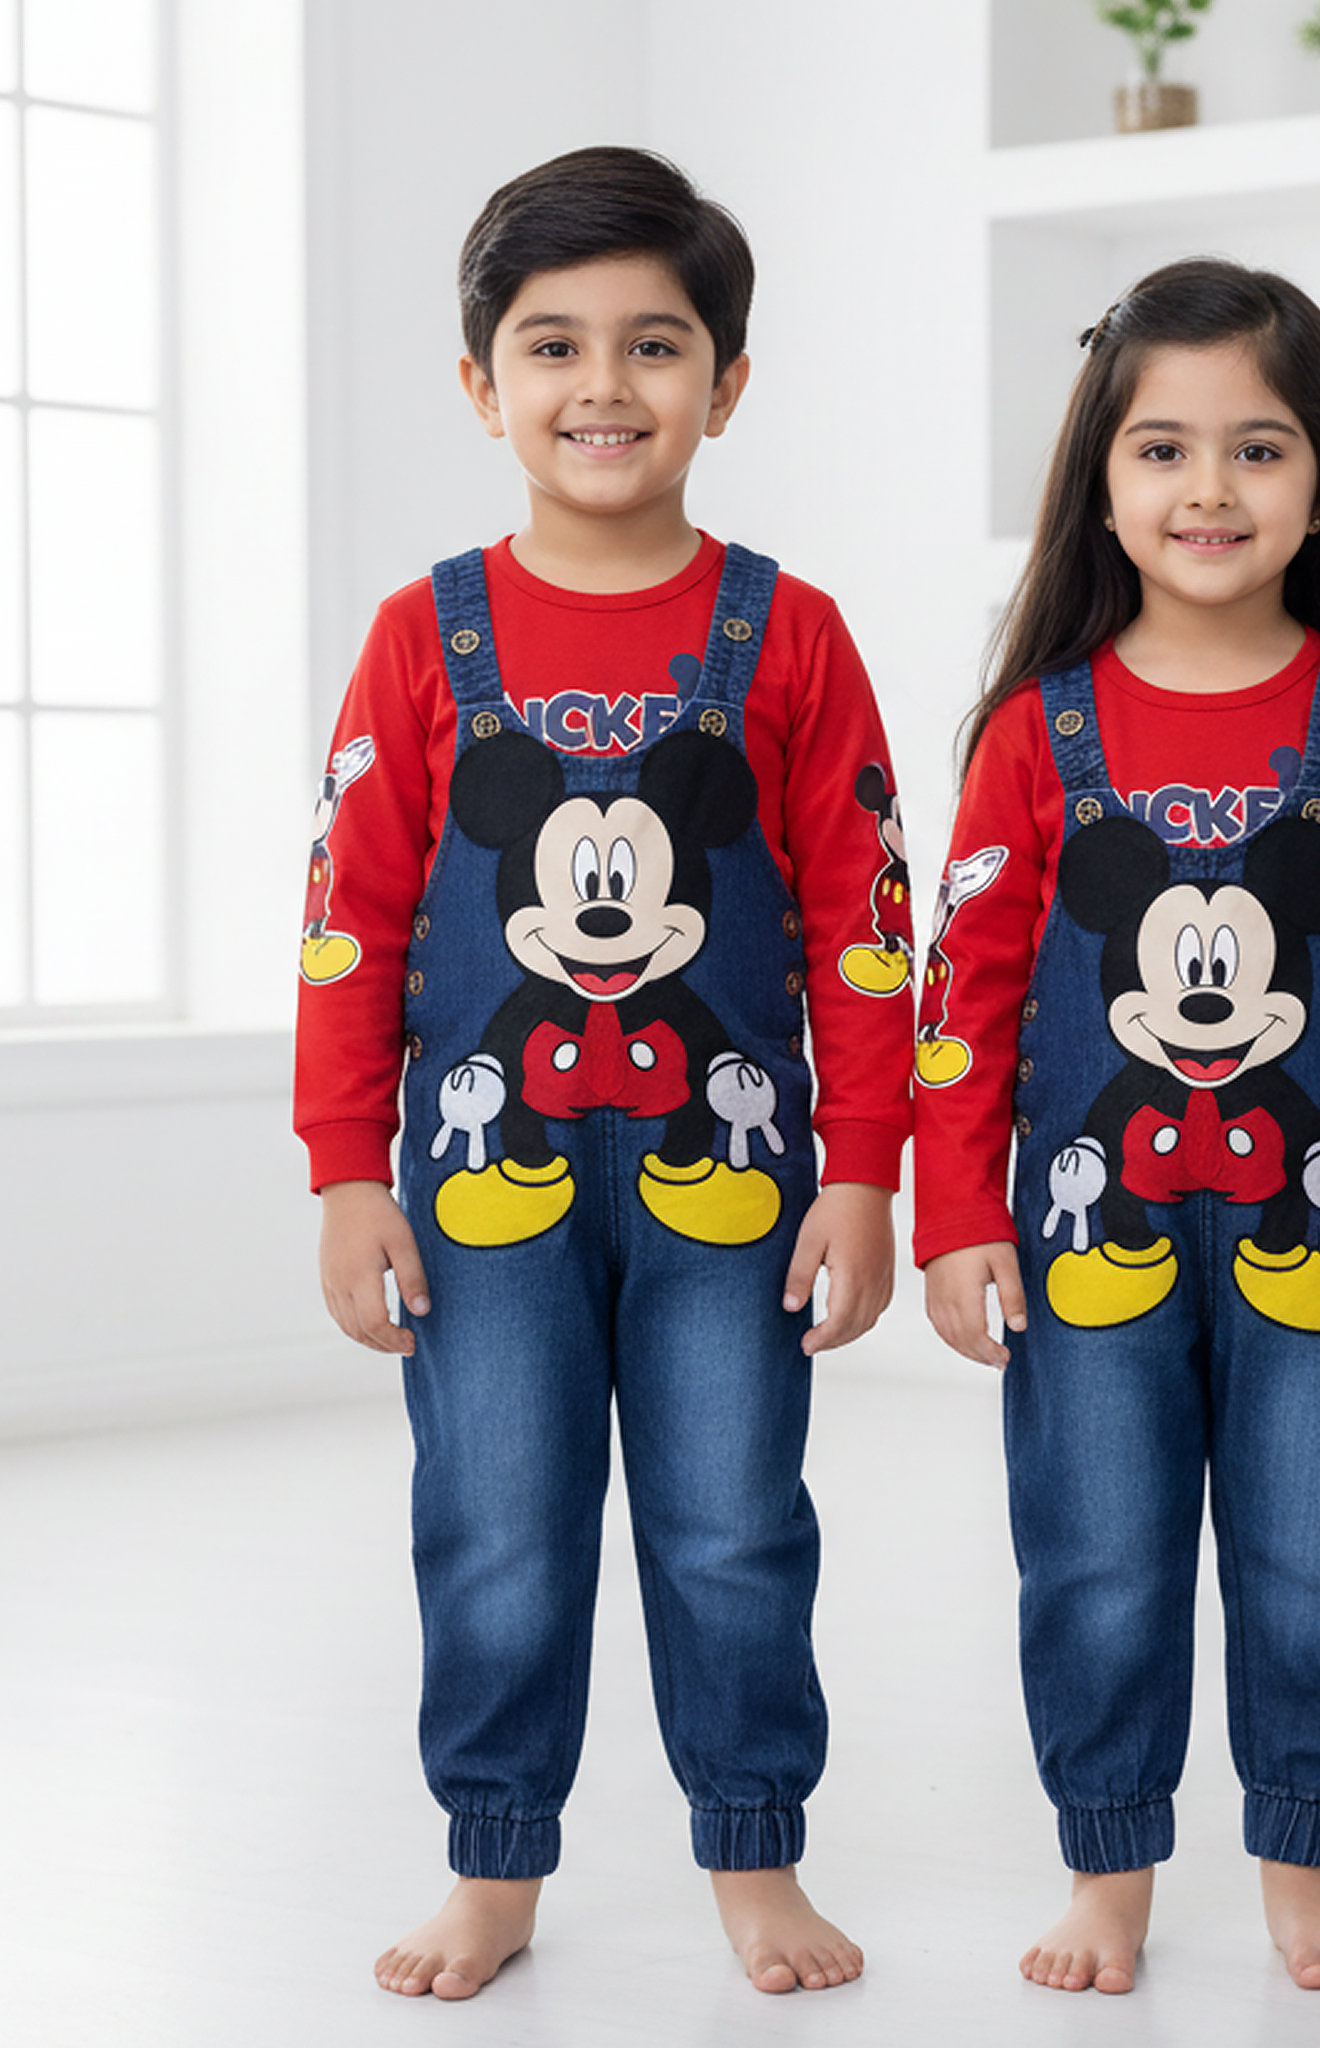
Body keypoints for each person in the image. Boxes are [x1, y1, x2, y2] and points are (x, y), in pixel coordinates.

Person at [295, 146, 914, 2002]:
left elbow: (867, 926)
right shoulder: (427, 635)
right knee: (494, 1519)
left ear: (728, 384)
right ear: (483, 385)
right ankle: (495, 1861)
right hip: (484, 1189)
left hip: (734, 1187)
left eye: (656, 344)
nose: (605, 386)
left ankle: (753, 1849)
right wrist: (344, 1165)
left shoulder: (786, 634)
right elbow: (353, 912)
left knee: (734, 1523)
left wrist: (867, 1168)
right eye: (553, 344)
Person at [916, 257, 1320, 1996]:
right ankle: (1108, 1867)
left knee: (1315, 1552)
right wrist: (959, 1214)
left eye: (1257, 450)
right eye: (1163, 449)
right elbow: (963, 1001)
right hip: (1082, 1239)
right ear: (1100, 479)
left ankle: (1302, 1858)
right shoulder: (1038, 736)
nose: (1208, 491)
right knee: (1096, 1554)